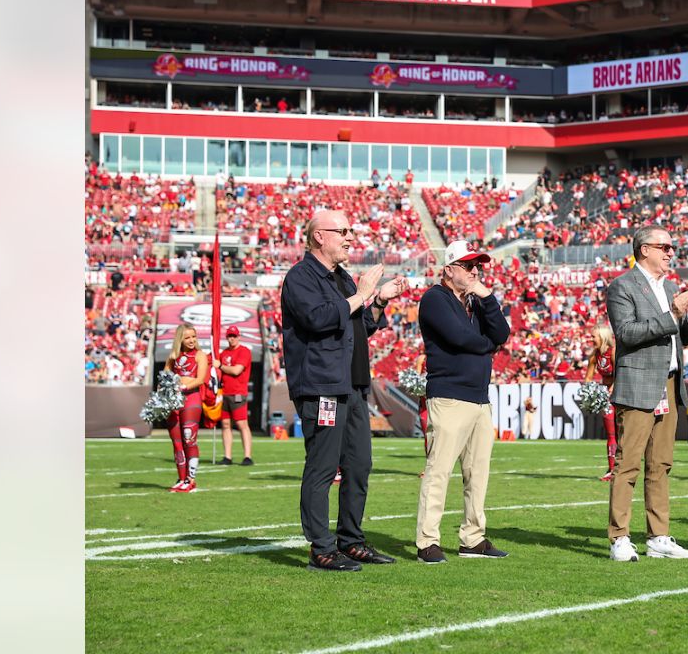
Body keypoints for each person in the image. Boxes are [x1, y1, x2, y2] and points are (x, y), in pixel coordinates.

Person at [282, 209, 406, 571]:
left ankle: (350, 541)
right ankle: (321, 548)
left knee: (359, 465)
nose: (350, 238)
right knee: (322, 467)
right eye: (344, 231)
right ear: (320, 235)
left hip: (352, 388)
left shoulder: (344, 279)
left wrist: (378, 300)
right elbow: (319, 320)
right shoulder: (301, 276)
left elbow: (359, 326)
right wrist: (363, 293)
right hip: (322, 387)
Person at [605, 225, 688, 562]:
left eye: (671, 247)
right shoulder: (623, 286)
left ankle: (658, 536)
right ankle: (619, 537)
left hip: (669, 382)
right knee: (628, 464)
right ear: (644, 249)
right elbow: (627, 333)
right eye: (664, 246)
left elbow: (681, 339)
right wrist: (674, 314)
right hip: (639, 384)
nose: (670, 252)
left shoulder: (671, 288)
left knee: (660, 465)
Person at [416, 240, 512, 564]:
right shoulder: (434, 298)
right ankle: (427, 541)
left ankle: (473, 538)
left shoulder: (475, 302)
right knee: (438, 471)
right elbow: (461, 338)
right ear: (449, 270)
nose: (475, 271)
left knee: (478, 474)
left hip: (479, 399)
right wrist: (488, 345)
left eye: (478, 266)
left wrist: (486, 295)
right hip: (449, 397)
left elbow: (503, 333)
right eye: (469, 266)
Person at [164, 323, 208, 493]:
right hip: (174, 401)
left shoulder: (200, 355)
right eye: (187, 337)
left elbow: (200, 379)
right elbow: (165, 375)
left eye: (193, 337)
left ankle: (191, 479)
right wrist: (167, 388)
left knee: (189, 439)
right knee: (177, 443)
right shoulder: (173, 356)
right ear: (180, 339)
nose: (191, 340)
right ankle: (181, 479)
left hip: (191, 400)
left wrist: (183, 386)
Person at [217, 326, 254, 466]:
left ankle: (247, 456)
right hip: (224, 392)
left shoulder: (244, 351)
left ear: (239, 336)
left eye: (234, 336)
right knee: (225, 424)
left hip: (238, 393)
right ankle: (227, 456)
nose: (232, 338)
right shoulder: (224, 352)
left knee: (241, 423)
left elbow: (236, 370)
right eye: (229, 336)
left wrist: (219, 365)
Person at [586, 325, 617, 481]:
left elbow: (622, 372)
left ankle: (621, 468)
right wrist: (589, 394)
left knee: (622, 434)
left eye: (594, 337)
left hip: (622, 395)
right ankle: (612, 469)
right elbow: (588, 379)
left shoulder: (613, 352)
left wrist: (613, 386)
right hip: (607, 397)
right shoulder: (594, 356)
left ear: (603, 338)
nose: (592, 339)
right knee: (611, 434)